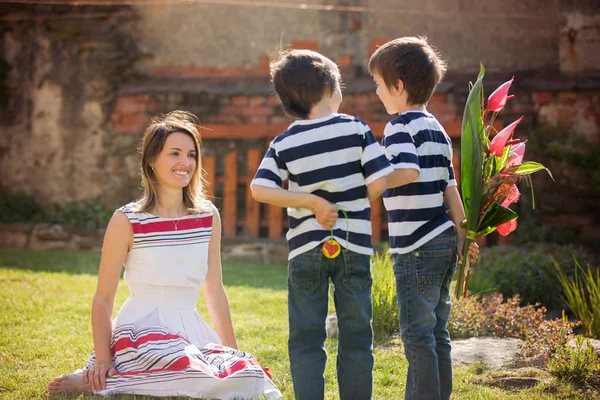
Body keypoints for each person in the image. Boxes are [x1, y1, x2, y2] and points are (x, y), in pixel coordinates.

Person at [46, 110, 281, 399]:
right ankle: (96, 377)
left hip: (190, 330)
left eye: (192, 155)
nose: (186, 162)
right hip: (141, 330)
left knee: (245, 372)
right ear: (151, 161)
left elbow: (215, 291)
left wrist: (232, 352)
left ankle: (132, 376)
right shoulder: (127, 220)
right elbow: (103, 298)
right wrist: (104, 360)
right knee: (186, 365)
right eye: (175, 154)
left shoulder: (208, 216)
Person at [251, 49, 393, 400]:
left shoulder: (284, 142)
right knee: (357, 335)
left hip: (305, 250)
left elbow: (259, 188)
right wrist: (349, 199)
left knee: (305, 336)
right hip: (354, 246)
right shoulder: (356, 128)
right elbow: (380, 182)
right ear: (330, 87)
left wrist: (311, 202)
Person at [368, 37, 479, 400]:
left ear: (398, 87)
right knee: (436, 332)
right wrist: (465, 234)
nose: (377, 92)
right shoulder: (438, 130)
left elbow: (407, 170)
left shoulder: (400, 127)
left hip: (415, 245)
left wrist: (371, 184)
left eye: (379, 85)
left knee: (416, 334)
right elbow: (450, 186)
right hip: (443, 238)